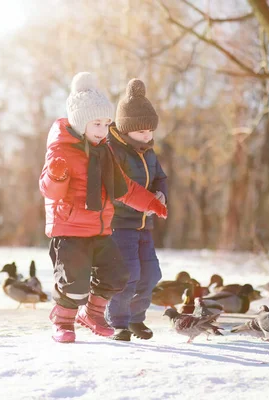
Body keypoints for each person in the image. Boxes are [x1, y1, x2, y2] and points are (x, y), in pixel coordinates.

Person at [39, 72, 167, 343]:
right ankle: (62, 321)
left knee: (118, 274)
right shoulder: (61, 151)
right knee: (74, 283)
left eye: (107, 124)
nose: (102, 130)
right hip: (70, 229)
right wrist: (57, 175)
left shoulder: (104, 151)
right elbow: (49, 191)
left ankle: (93, 314)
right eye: (96, 123)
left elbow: (124, 188)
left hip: (99, 229)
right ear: (80, 122)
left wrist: (151, 202)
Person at [105, 78, 168, 341]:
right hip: (120, 224)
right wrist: (145, 201)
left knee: (151, 273)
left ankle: (136, 318)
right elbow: (117, 188)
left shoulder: (148, 153)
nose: (148, 136)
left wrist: (161, 195)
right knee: (127, 274)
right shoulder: (113, 152)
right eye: (141, 131)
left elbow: (160, 178)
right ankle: (118, 321)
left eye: (150, 131)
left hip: (144, 223)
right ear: (126, 128)